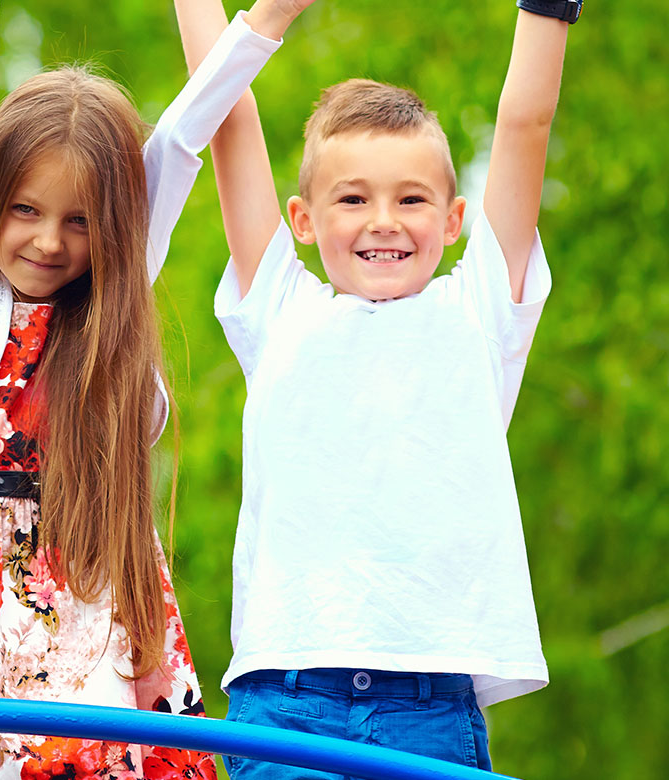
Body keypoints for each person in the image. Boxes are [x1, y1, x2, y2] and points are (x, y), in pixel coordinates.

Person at [0, 1, 308, 777]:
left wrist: (268, 19)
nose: (50, 241)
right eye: (26, 210)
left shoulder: (111, 303)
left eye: (80, 222)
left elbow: (183, 141)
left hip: (104, 585)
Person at [176, 0, 574, 775]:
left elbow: (525, 122)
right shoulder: (280, 308)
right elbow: (226, 116)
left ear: (455, 218)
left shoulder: (481, 310)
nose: (383, 220)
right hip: (285, 697)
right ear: (301, 217)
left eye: (412, 199)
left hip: (428, 706)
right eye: (353, 198)